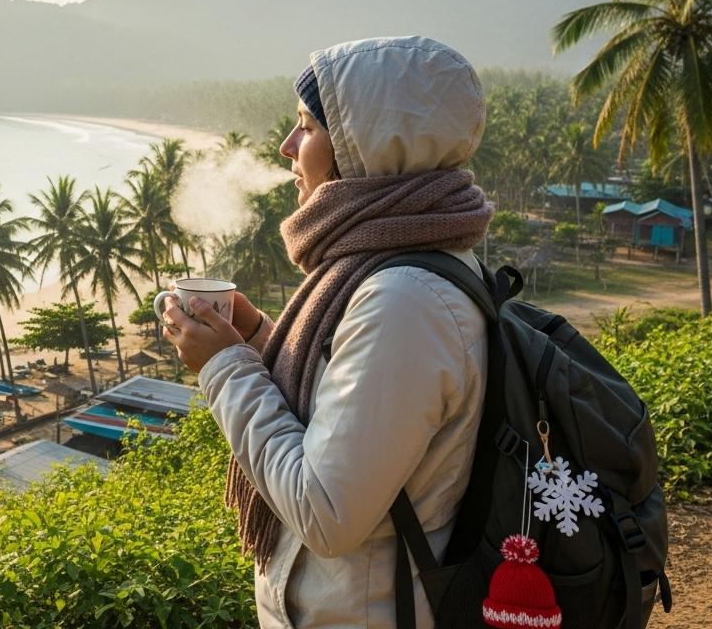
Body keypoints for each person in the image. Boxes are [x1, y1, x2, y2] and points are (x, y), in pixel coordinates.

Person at [161, 37, 493, 628]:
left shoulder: (402, 301)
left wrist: (223, 368)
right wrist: (259, 337)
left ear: (361, 149)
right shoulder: (405, 260)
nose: (288, 147)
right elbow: (349, 408)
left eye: (307, 128)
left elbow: (326, 512)